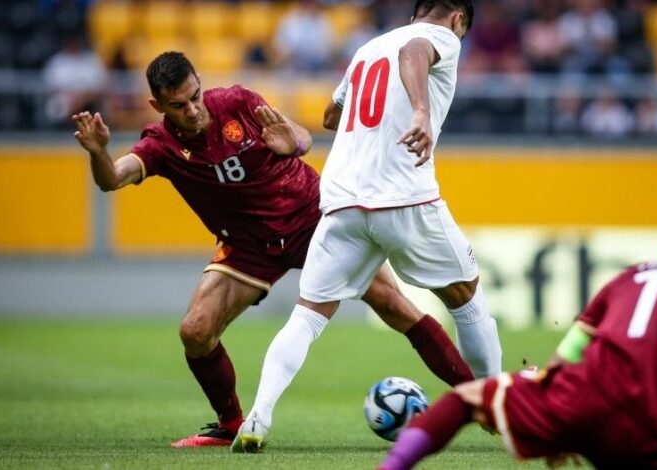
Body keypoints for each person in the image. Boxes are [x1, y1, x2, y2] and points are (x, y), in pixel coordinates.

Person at [72, 51, 477, 448]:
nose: (193, 110)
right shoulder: (160, 144)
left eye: (195, 96)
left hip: (313, 219)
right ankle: (231, 424)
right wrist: (98, 153)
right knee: (195, 331)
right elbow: (111, 180)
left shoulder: (237, 102)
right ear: (157, 105)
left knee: (395, 306)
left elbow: (299, 136)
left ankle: (481, 399)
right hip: (248, 244)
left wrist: (295, 144)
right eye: (178, 105)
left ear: (201, 85)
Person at [234, 0, 502, 453]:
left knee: (308, 315)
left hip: (341, 202)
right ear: (457, 19)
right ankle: (500, 403)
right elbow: (414, 52)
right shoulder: (438, 38)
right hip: (403, 195)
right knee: (466, 297)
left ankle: (257, 417)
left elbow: (330, 116)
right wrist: (419, 111)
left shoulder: (367, 48)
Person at [378, 209, 657, 470]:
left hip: (580, 401)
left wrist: (556, 413)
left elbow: (572, 351)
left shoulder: (631, 278)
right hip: (649, 434)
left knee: (467, 398)